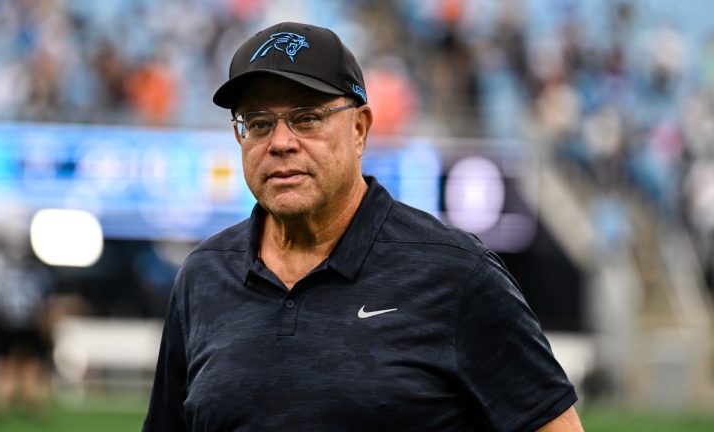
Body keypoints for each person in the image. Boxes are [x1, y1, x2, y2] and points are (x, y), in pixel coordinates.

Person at [143, 22, 583, 431]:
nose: (279, 142)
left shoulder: (457, 275)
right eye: (258, 124)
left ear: (359, 128)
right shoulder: (202, 276)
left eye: (306, 118)